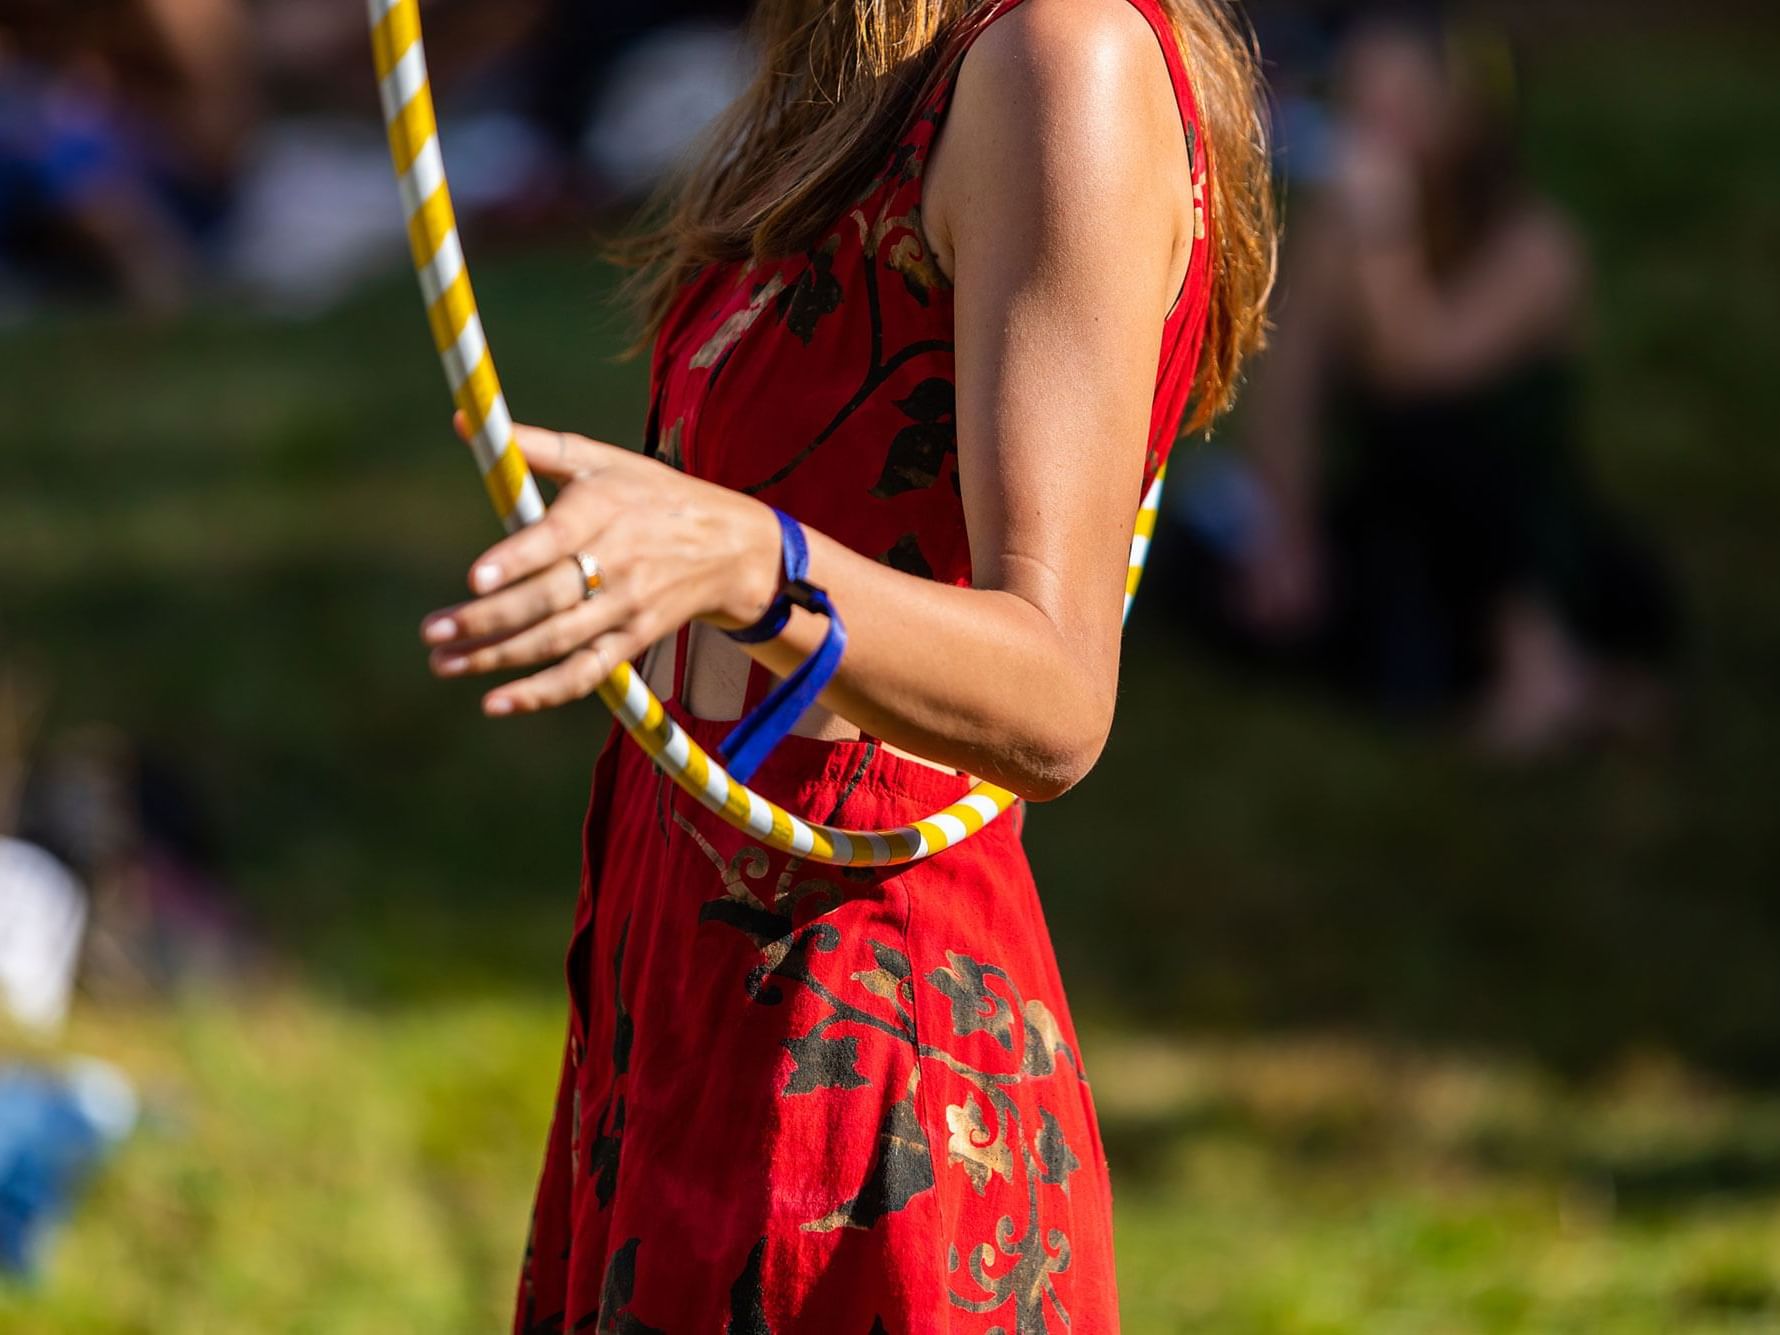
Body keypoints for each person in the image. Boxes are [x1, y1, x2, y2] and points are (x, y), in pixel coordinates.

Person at [417, 0, 1274, 1327]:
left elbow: (1056, 693)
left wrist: (752, 561)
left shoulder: (1063, 62)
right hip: (683, 997)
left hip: (862, 1042)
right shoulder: (861, 70)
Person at [1239, 14, 1677, 750]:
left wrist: (1381, 232)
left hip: (1523, 539)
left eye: (1398, 109)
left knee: (1436, 433)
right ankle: (1578, 695)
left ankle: (1546, 666)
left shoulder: (1537, 248)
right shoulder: (1339, 236)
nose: (1376, 134)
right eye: (1361, 108)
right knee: (1218, 580)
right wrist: (1287, 532)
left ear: (1461, 114)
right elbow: (1287, 393)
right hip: (1399, 518)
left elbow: (1415, 367)